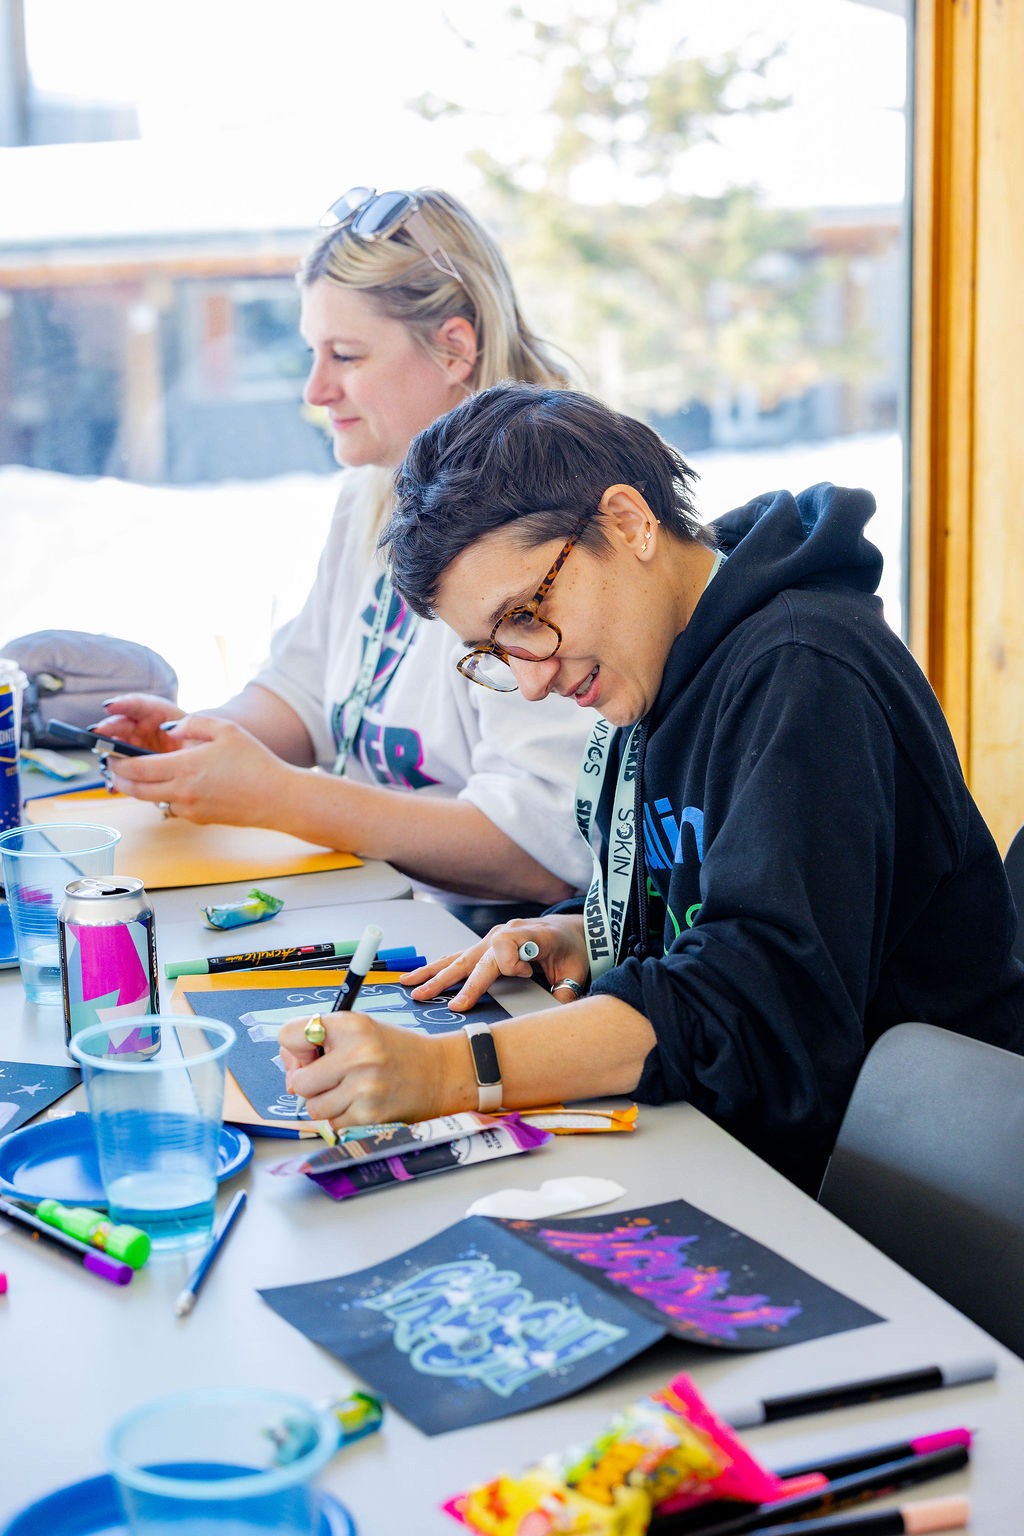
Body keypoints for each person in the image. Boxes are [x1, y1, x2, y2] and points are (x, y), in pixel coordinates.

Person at [279, 381, 1024, 1191]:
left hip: (899, 1193)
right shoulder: (659, 653)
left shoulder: (806, 671)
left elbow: (760, 1015)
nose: (529, 682)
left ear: (629, 523)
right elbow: (710, 901)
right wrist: (588, 933)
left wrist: (449, 1072)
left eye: (527, 615)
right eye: (493, 651)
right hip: (741, 1151)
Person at [96, 189, 593, 911]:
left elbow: (543, 852)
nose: (315, 389)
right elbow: (304, 692)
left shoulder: (544, 530)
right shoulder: (376, 489)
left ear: (455, 348)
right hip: (387, 907)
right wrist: (195, 746)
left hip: (498, 952)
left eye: (347, 355)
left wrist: (285, 799)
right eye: (312, 353)